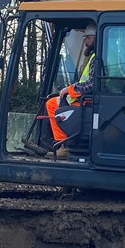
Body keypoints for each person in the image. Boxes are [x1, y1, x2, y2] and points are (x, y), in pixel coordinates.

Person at [43, 23, 96, 159]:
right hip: (88, 99)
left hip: (88, 102)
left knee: (52, 104)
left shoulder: (97, 58)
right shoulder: (99, 56)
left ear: (95, 38)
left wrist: (71, 89)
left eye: (87, 38)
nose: (85, 42)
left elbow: (92, 84)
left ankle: (64, 145)